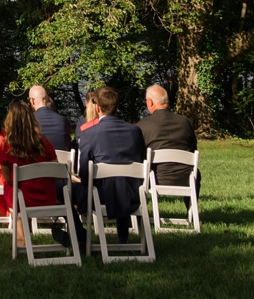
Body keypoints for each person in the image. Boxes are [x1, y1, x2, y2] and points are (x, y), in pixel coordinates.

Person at [68, 86, 147, 249]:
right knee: (120, 181)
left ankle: (80, 238)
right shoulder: (135, 131)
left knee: (66, 190)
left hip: (102, 196)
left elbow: (83, 173)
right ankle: (122, 237)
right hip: (132, 193)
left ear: (97, 107)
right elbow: (141, 159)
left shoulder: (89, 132)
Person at [0, 100, 59, 249]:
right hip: (48, 197)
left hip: (22, 200)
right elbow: (57, 173)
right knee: (16, 190)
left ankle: (21, 239)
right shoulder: (43, 142)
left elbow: (8, 178)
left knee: (10, 188)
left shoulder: (6, 146)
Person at [137, 83, 200, 200]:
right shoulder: (185, 122)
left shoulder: (142, 126)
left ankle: (140, 214)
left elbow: (138, 156)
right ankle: (191, 211)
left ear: (150, 102)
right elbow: (193, 149)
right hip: (186, 177)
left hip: (155, 177)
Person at [29, 85, 72, 153]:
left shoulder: (28, 121)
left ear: (32, 101)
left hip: (37, 162)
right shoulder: (64, 121)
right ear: (47, 98)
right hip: (61, 163)